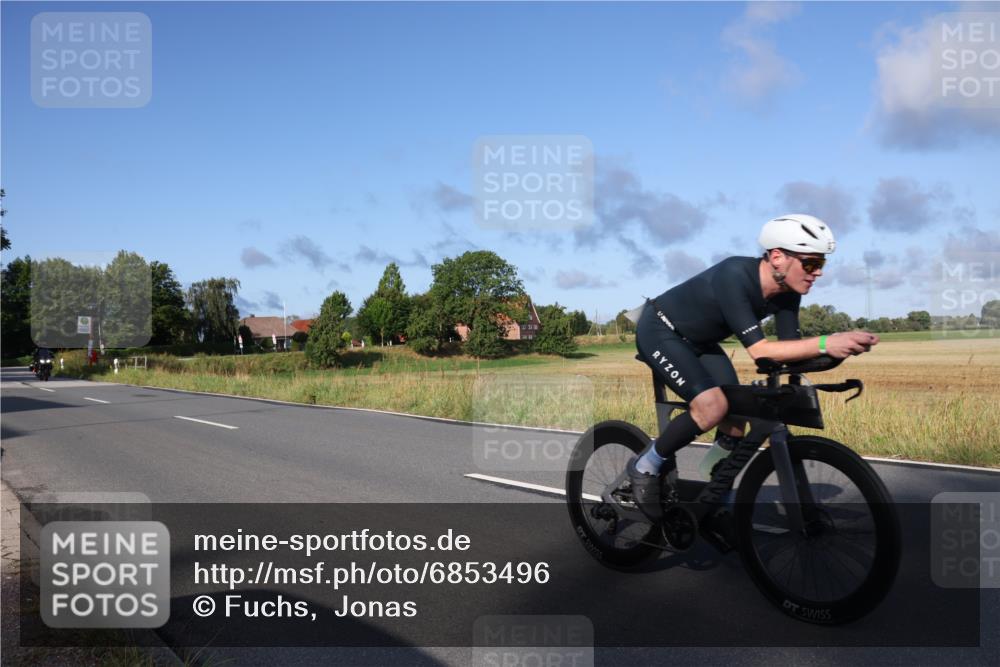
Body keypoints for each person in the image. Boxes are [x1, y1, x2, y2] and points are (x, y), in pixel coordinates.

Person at [627, 214, 879, 521]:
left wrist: (839, 353)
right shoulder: (734, 274)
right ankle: (646, 466)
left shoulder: (788, 294)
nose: (817, 273)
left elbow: (787, 354)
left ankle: (714, 488)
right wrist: (827, 342)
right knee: (712, 405)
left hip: (702, 343)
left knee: (737, 418)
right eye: (811, 264)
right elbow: (760, 350)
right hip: (660, 331)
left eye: (821, 265)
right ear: (777, 257)